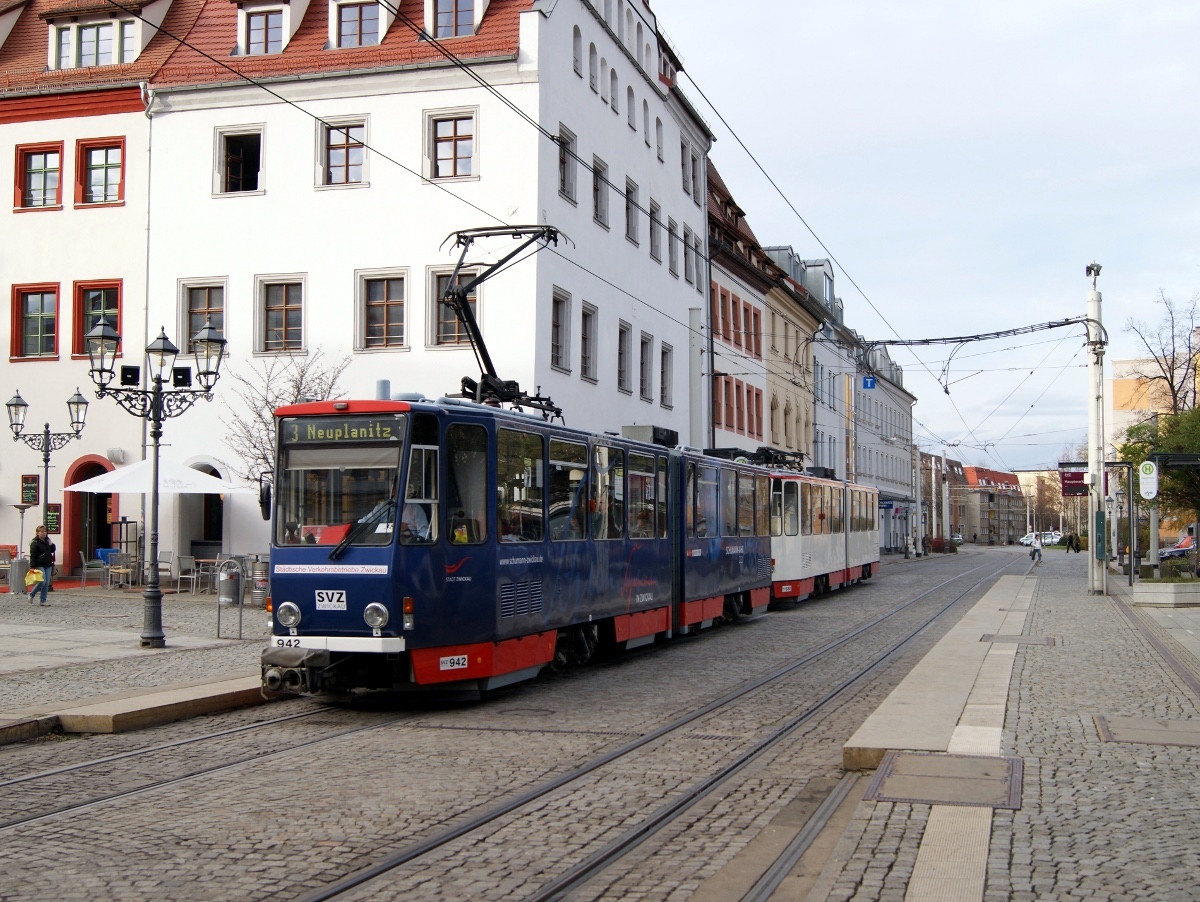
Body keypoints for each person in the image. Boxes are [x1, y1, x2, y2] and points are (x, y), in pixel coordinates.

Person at [29, 525, 55, 606]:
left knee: (47, 583)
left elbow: (52, 550)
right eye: (42, 532)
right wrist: (32, 567)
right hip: (39, 564)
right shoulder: (34, 543)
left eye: (45, 531)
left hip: (48, 563)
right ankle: (32, 594)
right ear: (37, 533)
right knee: (42, 582)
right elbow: (33, 555)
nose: (44, 533)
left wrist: (51, 544)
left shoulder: (47, 541)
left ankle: (43, 600)